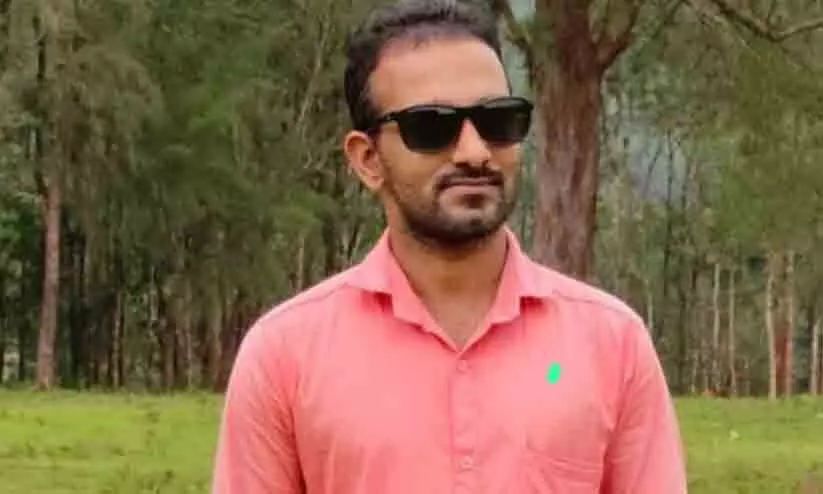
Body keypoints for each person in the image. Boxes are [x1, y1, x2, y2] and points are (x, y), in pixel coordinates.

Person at [211, 0, 687, 493]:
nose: (475, 152)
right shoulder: (285, 357)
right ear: (367, 159)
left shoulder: (611, 344)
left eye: (497, 121)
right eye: (432, 127)